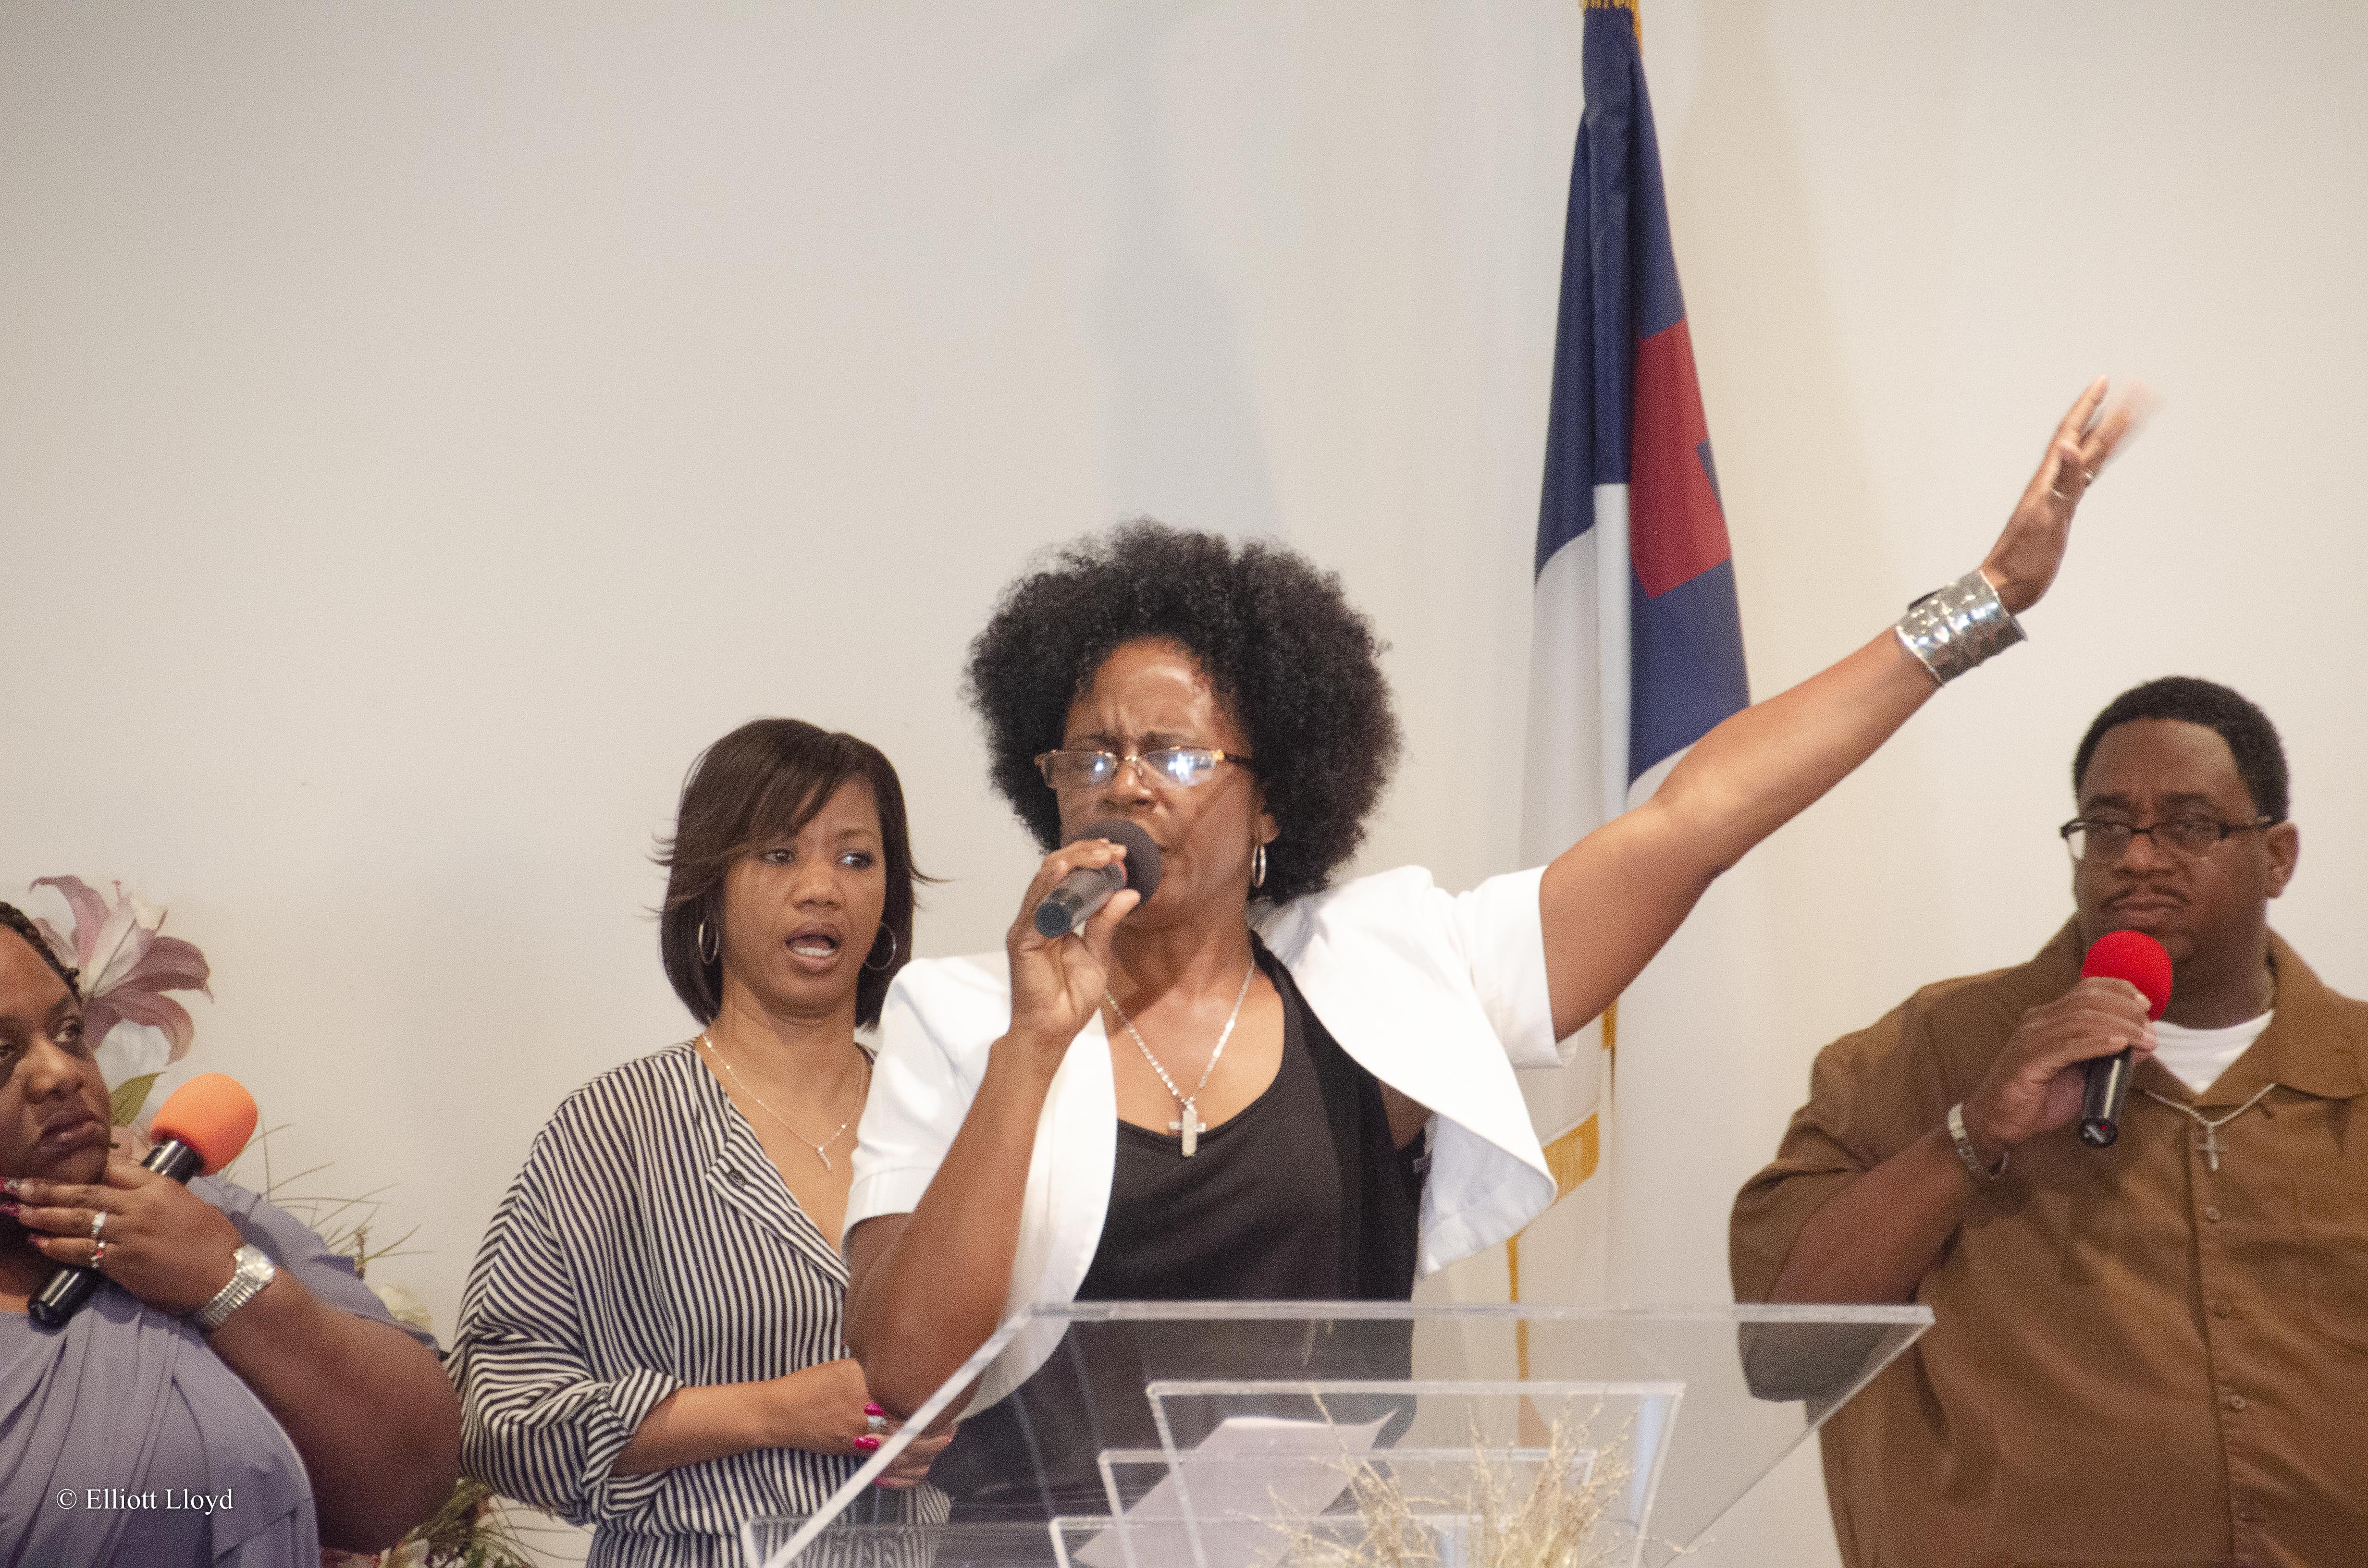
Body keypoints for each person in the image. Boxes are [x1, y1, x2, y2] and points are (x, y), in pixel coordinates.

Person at [840, 385, 2134, 1515]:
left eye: (1175, 754)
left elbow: (1693, 821)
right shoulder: (958, 1017)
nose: (1128, 784)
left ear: (1277, 796)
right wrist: (1035, 1046)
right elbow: (904, 1369)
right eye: (1092, 753)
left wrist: (1981, 606)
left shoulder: (1382, 983)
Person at [1730, 677, 2368, 1567]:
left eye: (2189, 826)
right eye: (2107, 827)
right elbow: (1780, 1350)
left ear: (2278, 856)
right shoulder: (1925, 1056)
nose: (2138, 859)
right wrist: (1971, 1134)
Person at [453, 719, 951, 1568]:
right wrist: (770, 1413)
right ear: (709, 889)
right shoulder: (617, 1128)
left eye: (857, 858)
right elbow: (495, 1419)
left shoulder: (948, 1123)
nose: (823, 888)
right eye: (780, 854)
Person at [0, 901, 460, 1565]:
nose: (61, 1072)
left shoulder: (208, 1217)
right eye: (1, 1051)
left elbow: (408, 1482)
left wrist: (224, 1280)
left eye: (69, 1031)